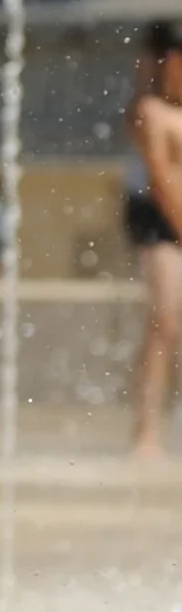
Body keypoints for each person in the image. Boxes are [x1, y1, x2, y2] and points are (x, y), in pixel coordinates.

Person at [126, 24, 182, 458]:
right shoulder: (150, 110)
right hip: (164, 226)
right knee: (164, 323)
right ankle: (145, 432)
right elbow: (160, 177)